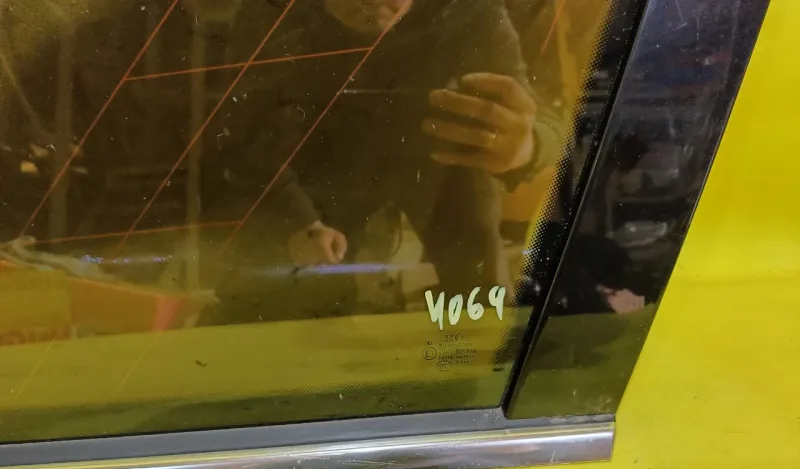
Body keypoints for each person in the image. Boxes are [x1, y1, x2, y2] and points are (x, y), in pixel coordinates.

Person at [3, 0, 557, 322]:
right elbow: (236, 135)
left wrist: (525, 146)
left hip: (441, 206)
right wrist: (296, 221)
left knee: (477, 325)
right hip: (297, 207)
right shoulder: (264, 17)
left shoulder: (472, 15)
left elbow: (559, 119)